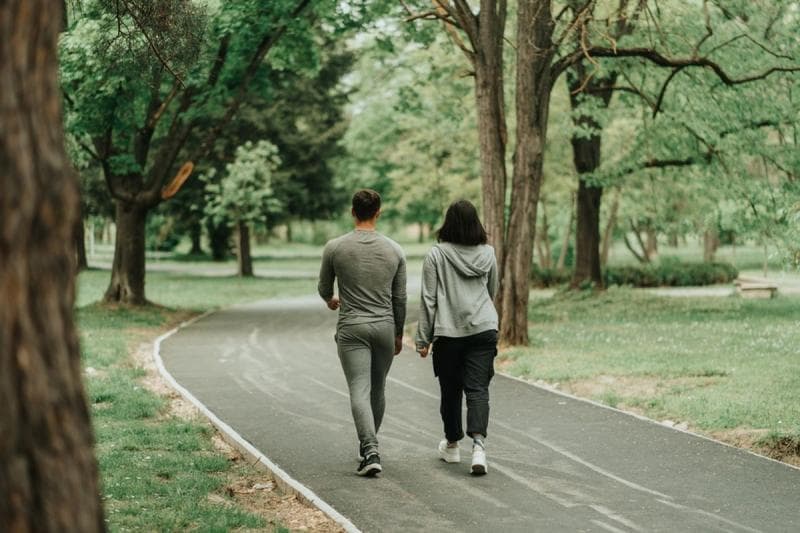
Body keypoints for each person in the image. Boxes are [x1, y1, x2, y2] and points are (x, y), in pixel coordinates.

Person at [318, 189, 407, 477]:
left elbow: (324, 288)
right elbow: (400, 298)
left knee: (359, 388)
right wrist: (398, 334)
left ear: (353, 212)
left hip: (352, 327)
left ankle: (369, 448)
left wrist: (332, 300)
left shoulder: (335, 247)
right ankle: (369, 446)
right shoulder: (395, 250)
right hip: (384, 326)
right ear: (378, 212)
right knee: (377, 388)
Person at [415, 199, 498, 475]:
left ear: (448, 223)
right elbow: (492, 290)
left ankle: (452, 445)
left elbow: (428, 299)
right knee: (478, 389)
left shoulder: (436, 255)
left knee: (450, 390)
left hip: (449, 333)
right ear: (476, 223)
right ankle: (478, 448)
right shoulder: (488, 253)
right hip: (484, 328)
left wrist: (423, 338)